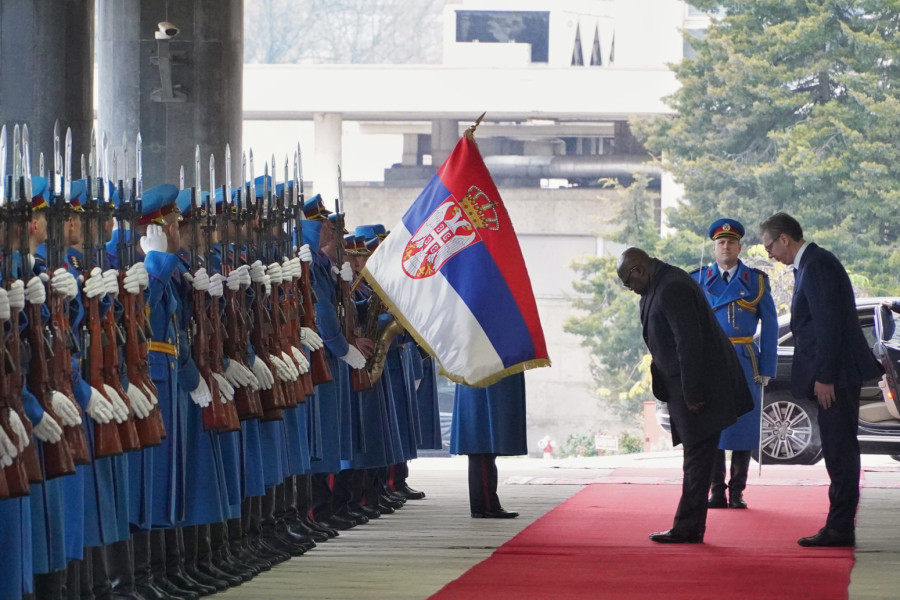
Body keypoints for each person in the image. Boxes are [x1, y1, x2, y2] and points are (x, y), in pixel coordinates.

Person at [759, 213, 882, 547]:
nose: (770, 254)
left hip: (836, 376)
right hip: (833, 372)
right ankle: (838, 524)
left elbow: (829, 325)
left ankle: (840, 527)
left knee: (839, 450)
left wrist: (825, 376)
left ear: (784, 239)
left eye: (769, 246)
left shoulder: (817, 265)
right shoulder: (810, 264)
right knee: (836, 448)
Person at [617, 247, 752, 543]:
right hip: (685, 385)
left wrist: (692, 392)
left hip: (701, 386)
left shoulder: (671, 287)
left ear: (638, 270)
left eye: (629, 283)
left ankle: (687, 527)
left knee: (697, 457)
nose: (631, 289)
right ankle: (689, 525)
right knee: (697, 457)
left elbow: (689, 342)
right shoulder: (657, 284)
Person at [692, 219, 778, 510]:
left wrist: (767, 367)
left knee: (745, 425)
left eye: (731, 242)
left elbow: (770, 326)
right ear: (713, 248)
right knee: (712, 425)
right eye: (720, 243)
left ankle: (737, 491)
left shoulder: (756, 281)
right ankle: (716, 491)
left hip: (744, 359)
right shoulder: (698, 279)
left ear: (739, 247)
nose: (725, 247)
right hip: (710, 361)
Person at [450, 373, 527, 519]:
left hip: (478, 376)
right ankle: (485, 505)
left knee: (482, 444)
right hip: (484, 376)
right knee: (482, 443)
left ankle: (485, 504)